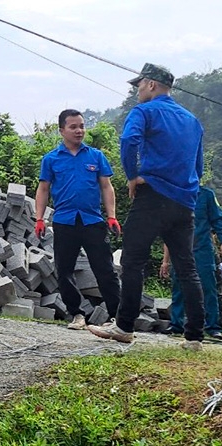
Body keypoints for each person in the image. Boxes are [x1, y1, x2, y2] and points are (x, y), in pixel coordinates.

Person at [88, 63, 206, 351]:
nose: (137, 89)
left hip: (152, 195)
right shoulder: (192, 120)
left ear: (152, 84)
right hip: (185, 201)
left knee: (133, 261)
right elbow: (199, 166)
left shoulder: (145, 111)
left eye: (139, 84)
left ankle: (124, 326)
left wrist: (132, 175)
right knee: (187, 268)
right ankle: (194, 337)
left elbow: (129, 140)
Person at [34, 109, 122, 330]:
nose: (79, 131)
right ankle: (77, 315)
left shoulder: (95, 156)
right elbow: (43, 189)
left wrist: (111, 216)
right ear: (62, 130)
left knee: (105, 270)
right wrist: (39, 219)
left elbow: (106, 186)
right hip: (64, 221)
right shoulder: (51, 159)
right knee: (64, 270)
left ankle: (117, 317)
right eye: (73, 127)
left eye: (82, 126)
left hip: (93, 221)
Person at [160, 185, 222, 338]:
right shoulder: (173, 194)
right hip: (180, 250)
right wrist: (165, 261)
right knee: (178, 288)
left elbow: (218, 222)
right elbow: (168, 230)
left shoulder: (207, 196)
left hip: (203, 250)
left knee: (208, 288)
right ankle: (176, 325)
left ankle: (212, 326)